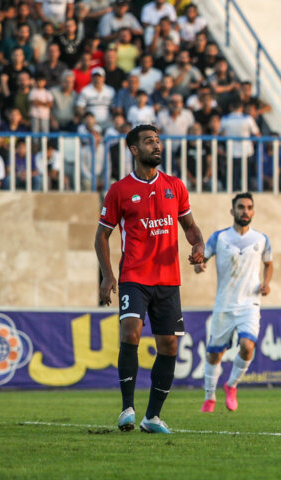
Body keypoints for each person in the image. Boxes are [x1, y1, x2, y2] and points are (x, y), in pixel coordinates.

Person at [95, 124, 205, 434]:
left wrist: (199, 245)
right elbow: (102, 235)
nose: (156, 146)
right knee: (130, 334)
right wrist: (107, 276)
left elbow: (191, 227)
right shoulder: (119, 190)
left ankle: (152, 417)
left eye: (157, 141)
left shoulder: (175, 186)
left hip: (169, 279)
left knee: (169, 346)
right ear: (133, 149)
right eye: (148, 141)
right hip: (134, 277)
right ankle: (127, 409)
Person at [194, 192, 273, 412]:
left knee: (248, 346)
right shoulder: (219, 238)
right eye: (241, 207)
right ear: (233, 211)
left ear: (253, 211)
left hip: (249, 304)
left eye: (249, 207)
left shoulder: (261, 239)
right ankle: (210, 396)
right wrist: (199, 266)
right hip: (224, 304)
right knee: (214, 354)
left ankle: (232, 386)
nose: (245, 211)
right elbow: (201, 260)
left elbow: (269, 263)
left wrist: (266, 283)